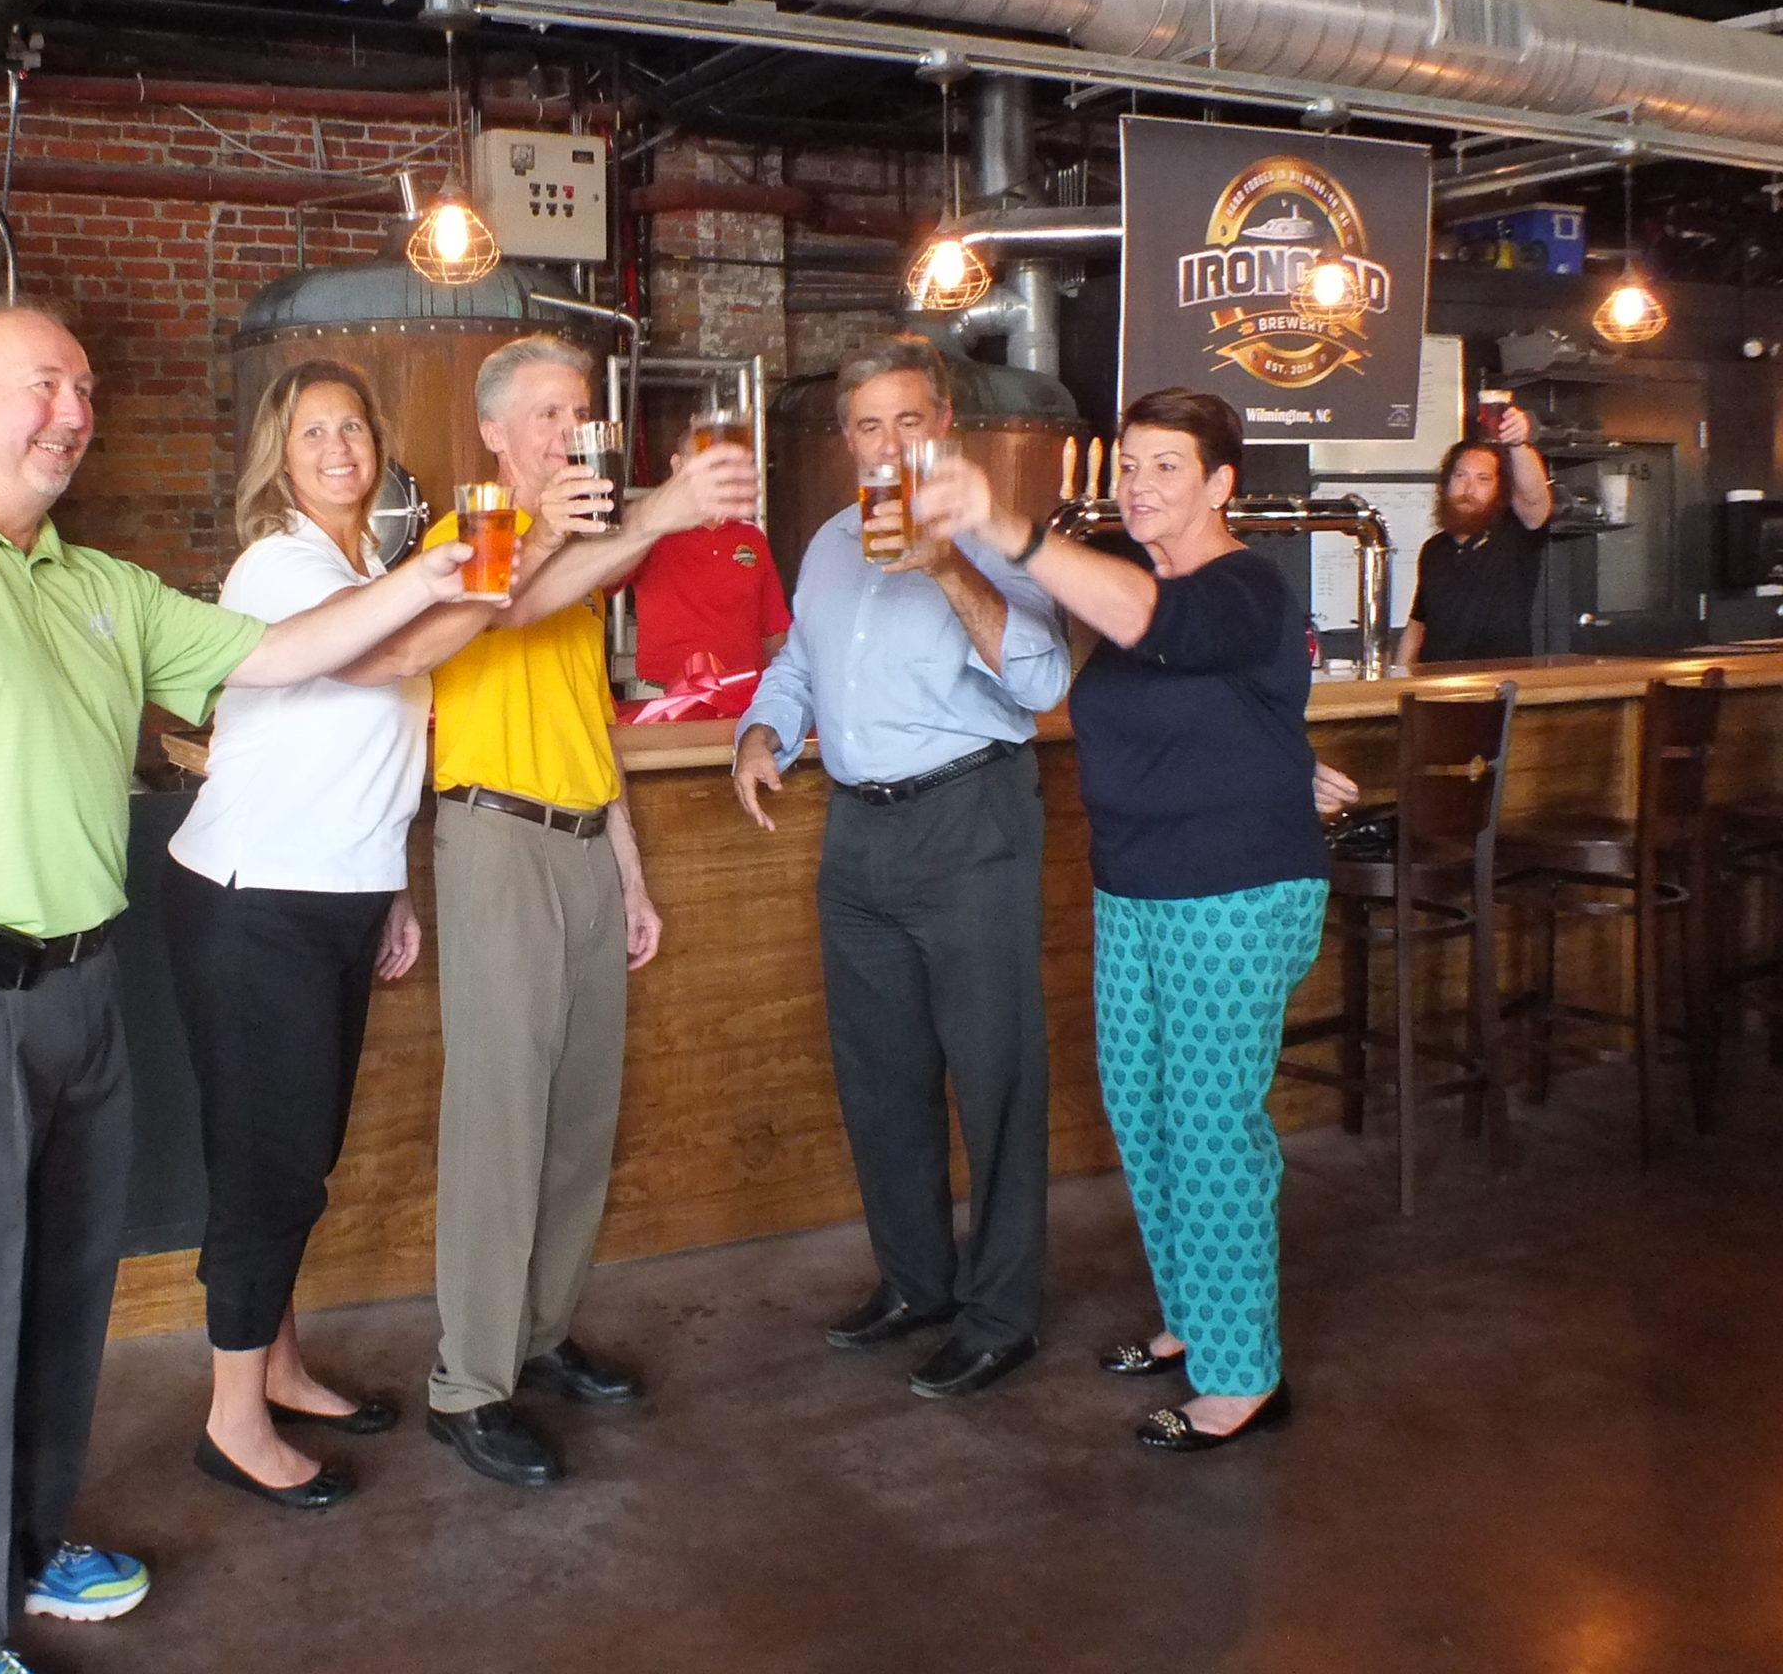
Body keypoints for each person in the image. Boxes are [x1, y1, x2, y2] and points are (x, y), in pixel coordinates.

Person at [0, 303, 474, 1674]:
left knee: (60, 1297)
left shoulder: (100, 586)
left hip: (80, 985)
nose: (71, 411)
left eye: (83, 388)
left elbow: (284, 654)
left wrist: (439, 579)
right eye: (43, 386)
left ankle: (24, 1548)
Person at [910, 385, 1329, 1453]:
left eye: (1165, 468)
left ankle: (1243, 1379)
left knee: (1209, 1129)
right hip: (1135, 891)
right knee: (1144, 1117)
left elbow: (1168, 632)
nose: (1139, 485)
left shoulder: (1243, 586)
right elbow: (1180, 704)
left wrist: (997, 522)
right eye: (1129, 465)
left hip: (1230, 894)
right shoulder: (1131, 578)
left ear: (1220, 484)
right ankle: (1196, 1321)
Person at [398, 332, 758, 1489]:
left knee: (575, 1122)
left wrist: (630, 869)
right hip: (495, 841)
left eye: (578, 413)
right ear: (494, 435)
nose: (568, 433)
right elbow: (504, 607)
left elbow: (587, 722)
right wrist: (652, 513)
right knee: (499, 1124)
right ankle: (466, 1385)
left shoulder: (579, 557)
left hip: (578, 846)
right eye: (546, 416)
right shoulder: (469, 543)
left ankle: (539, 1338)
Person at [163, 358, 521, 1511]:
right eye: (313, 432)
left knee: (296, 1154)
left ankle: (274, 1365)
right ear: (282, 452)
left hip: (332, 892)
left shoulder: (363, 561)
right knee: (266, 1165)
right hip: (254, 896)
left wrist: (393, 889)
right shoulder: (281, 562)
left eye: (354, 429)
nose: (337, 449)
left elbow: (379, 748)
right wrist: (504, 556)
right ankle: (230, 1421)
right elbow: (399, 660)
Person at [731, 336, 1069, 1403]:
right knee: (880, 1078)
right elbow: (797, 659)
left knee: (995, 1078)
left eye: (907, 421)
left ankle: (1000, 1314)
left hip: (969, 819)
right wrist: (761, 731)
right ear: (845, 441)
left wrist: (947, 567)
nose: (887, 443)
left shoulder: (998, 535)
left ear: (944, 428)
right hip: (857, 831)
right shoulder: (829, 541)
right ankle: (917, 1284)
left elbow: (1043, 680)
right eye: (867, 425)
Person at [1398, 403, 1553, 665]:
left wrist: (1518, 445)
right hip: (1435, 691)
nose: (1468, 488)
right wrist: (1395, 687)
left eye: (1483, 479)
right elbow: (1417, 626)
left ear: (1499, 489)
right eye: (1460, 476)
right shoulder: (1433, 549)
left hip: (1496, 691)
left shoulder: (1514, 534)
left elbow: (1534, 499)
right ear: (1446, 483)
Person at [629, 459, 791, 692]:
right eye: (706, 459)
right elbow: (605, 580)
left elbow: (773, 629)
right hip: (663, 697)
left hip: (743, 695)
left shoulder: (751, 536)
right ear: (678, 464)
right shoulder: (649, 532)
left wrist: (783, 692)